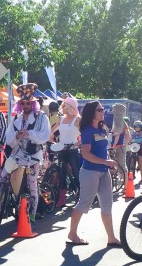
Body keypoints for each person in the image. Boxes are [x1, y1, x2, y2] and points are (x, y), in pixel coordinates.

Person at [67, 101, 121, 247]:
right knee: (84, 204)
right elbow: (86, 154)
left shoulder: (103, 129)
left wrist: (109, 162)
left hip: (104, 172)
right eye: (99, 110)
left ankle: (111, 237)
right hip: (90, 172)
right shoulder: (88, 131)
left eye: (103, 109)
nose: (103, 111)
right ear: (92, 113)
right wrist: (105, 162)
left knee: (107, 205)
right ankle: (72, 233)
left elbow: (103, 152)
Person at [5, 83, 51, 224]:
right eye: (23, 103)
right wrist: (17, 137)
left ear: (33, 104)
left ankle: (31, 214)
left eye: (28, 103)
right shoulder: (16, 119)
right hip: (18, 154)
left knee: (32, 184)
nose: (25, 106)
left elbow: (45, 135)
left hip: (33, 156)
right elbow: (8, 137)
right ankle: (5, 205)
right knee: (3, 177)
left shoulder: (41, 117)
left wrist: (29, 133)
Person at [55, 96, 81, 208]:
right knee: (61, 173)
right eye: (63, 105)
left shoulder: (77, 119)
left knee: (76, 172)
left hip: (73, 150)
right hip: (62, 149)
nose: (63, 107)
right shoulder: (60, 119)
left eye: (65, 105)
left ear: (71, 107)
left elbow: (85, 135)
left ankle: (81, 193)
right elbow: (51, 131)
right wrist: (49, 140)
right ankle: (62, 197)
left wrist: (76, 144)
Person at [110, 103, 130, 190]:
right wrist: (125, 144)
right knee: (121, 166)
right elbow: (128, 135)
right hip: (121, 146)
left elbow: (117, 135)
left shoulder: (117, 120)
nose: (112, 111)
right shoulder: (123, 121)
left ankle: (125, 186)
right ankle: (125, 185)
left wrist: (113, 146)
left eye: (114, 109)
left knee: (120, 166)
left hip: (116, 146)